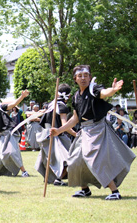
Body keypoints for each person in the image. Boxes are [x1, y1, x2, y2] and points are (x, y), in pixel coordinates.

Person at [50, 65, 136, 200]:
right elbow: (75, 118)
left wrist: (112, 90)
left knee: (95, 160)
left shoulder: (93, 89)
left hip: (97, 129)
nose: (83, 78)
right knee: (75, 160)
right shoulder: (76, 96)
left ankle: (114, 191)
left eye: (86, 75)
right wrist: (59, 131)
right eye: (80, 76)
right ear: (75, 79)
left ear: (90, 77)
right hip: (84, 131)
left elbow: (104, 93)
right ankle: (84, 189)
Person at [35, 83, 76, 186]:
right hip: (56, 136)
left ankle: (52, 178)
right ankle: (59, 178)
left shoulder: (50, 105)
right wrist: (76, 134)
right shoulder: (61, 106)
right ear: (69, 95)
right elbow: (65, 125)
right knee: (70, 157)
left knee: (52, 159)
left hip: (47, 135)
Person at [0, 91, 30, 177]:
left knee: (12, 152)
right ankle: (2, 171)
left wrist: (22, 97)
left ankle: (24, 171)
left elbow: (13, 104)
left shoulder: (1, 108)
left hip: (9, 133)